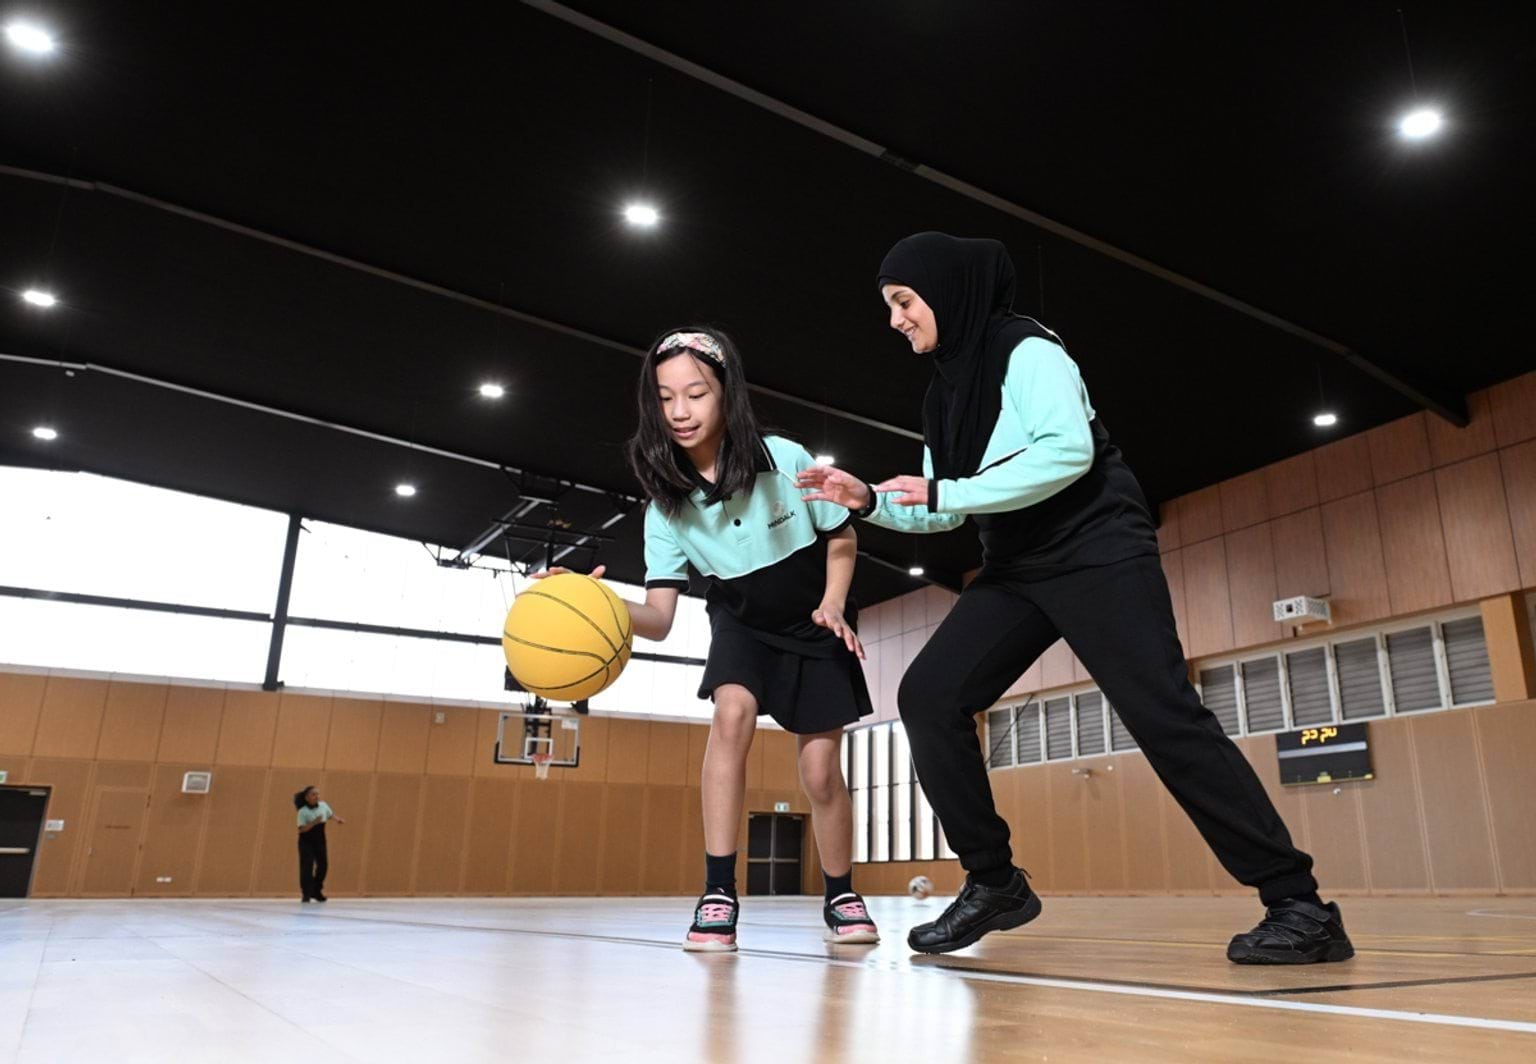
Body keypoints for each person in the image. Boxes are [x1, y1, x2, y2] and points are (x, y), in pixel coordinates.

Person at [797, 232, 1353, 964]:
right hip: (1018, 564)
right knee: (930, 695)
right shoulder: (944, 391)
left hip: (1097, 549)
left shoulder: (1027, 350)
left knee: (1165, 716)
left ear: (948, 290)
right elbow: (949, 508)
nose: (895, 318)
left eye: (903, 301)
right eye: (891, 306)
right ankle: (995, 883)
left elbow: (1066, 451)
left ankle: (1300, 907)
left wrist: (946, 489)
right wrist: (868, 499)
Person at [537, 326, 878, 952]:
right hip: (741, 620)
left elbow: (842, 535)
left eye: (695, 393)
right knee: (731, 715)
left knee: (822, 770)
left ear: (727, 393)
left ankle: (840, 894)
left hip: (815, 618)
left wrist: (833, 603)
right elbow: (660, 618)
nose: (680, 411)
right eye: (666, 398)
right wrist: (591, 600)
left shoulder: (784, 457)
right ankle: (719, 891)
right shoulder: (666, 504)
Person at [294, 785, 344, 903]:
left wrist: (337, 819)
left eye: (317, 794)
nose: (317, 796)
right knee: (307, 867)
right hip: (306, 841)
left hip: (320, 840)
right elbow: (301, 829)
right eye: (313, 794)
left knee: (323, 866)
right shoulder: (302, 812)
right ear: (307, 798)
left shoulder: (323, 805)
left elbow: (329, 814)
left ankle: (316, 891)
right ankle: (306, 893)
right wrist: (314, 822)